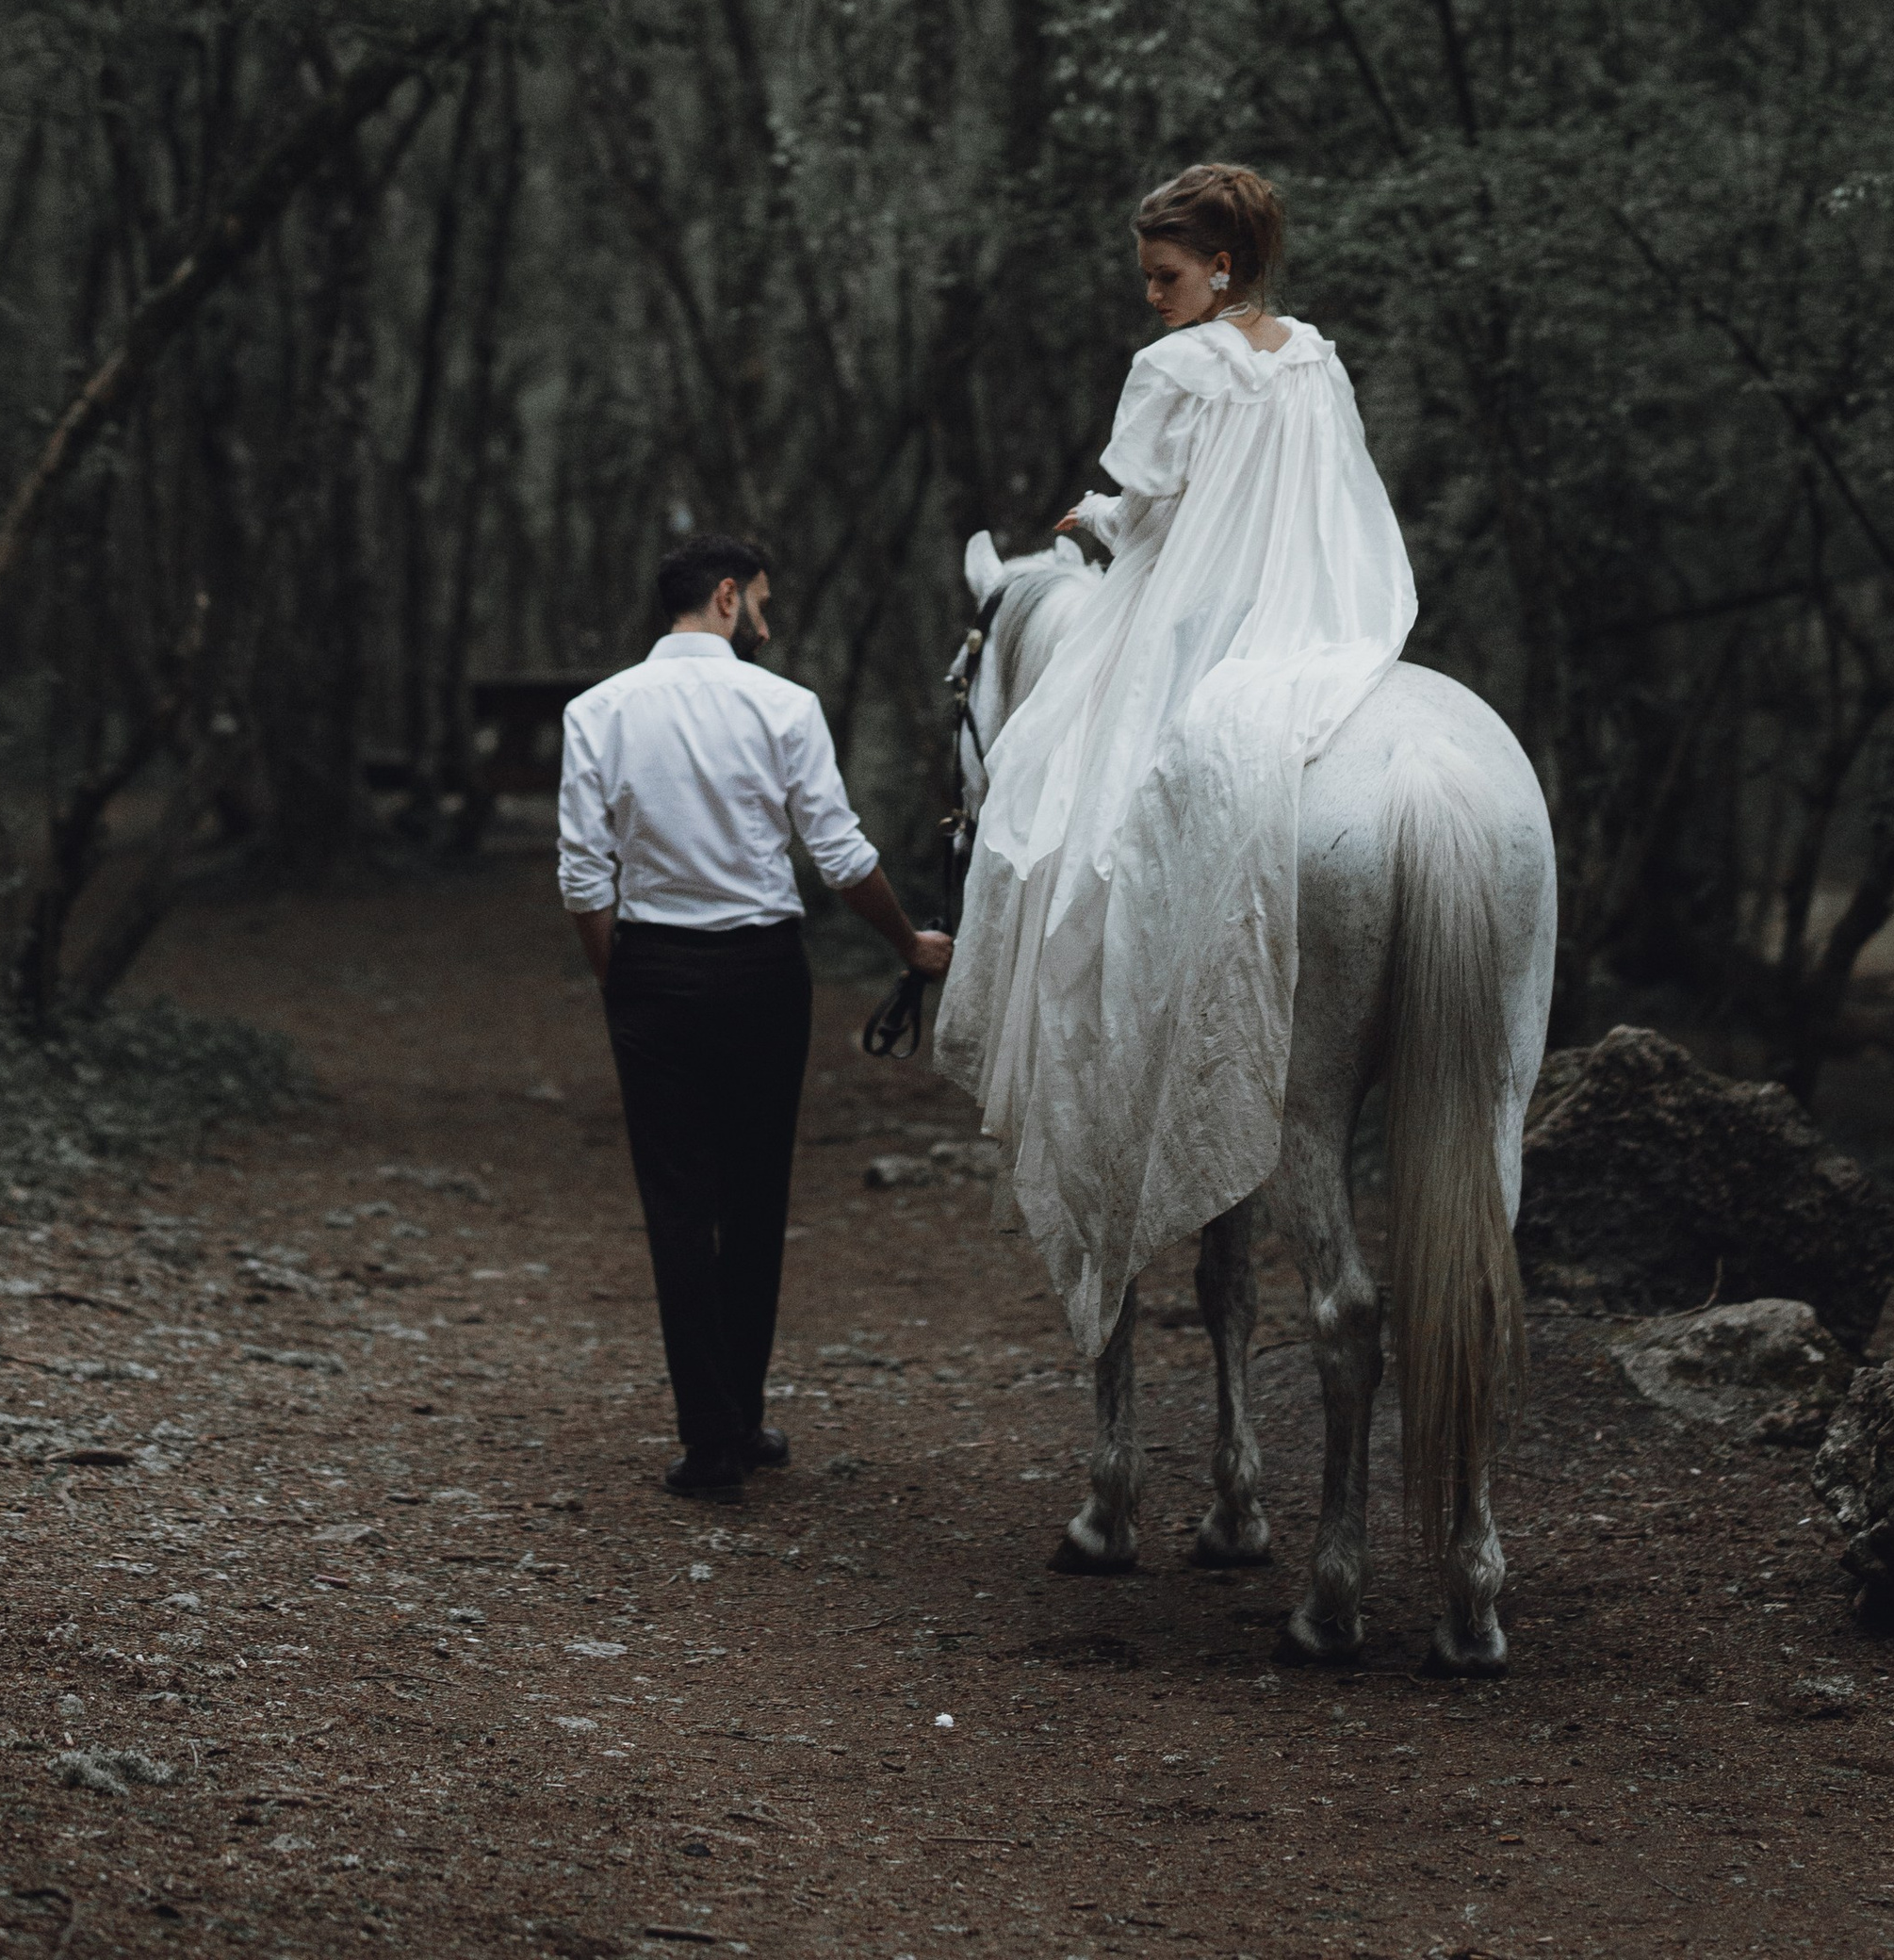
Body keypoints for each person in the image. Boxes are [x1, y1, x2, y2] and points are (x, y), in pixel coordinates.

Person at [935, 163, 1417, 1357]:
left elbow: (1141, 502)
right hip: (1304, 613)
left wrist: (1086, 521)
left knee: (1051, 806)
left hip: (1191, 622)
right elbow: (1330, 499)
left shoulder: (1171, 367)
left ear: (1222, 266)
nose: (1151, 296)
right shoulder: (1311, 354)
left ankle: (1099, 1049)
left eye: (1164, 275)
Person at [559, 531, 953, 1496]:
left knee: (676, 1205)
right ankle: (738, 1414)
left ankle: (711, 1438)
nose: (768, 623)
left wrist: (625, 981)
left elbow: (581, 876)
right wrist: (907, 946)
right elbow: (840, 854)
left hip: (651, 967)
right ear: (726, 598)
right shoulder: (783, 706)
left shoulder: (595, 711)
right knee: (754, 1197)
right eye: (763, 603)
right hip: (763, 974)